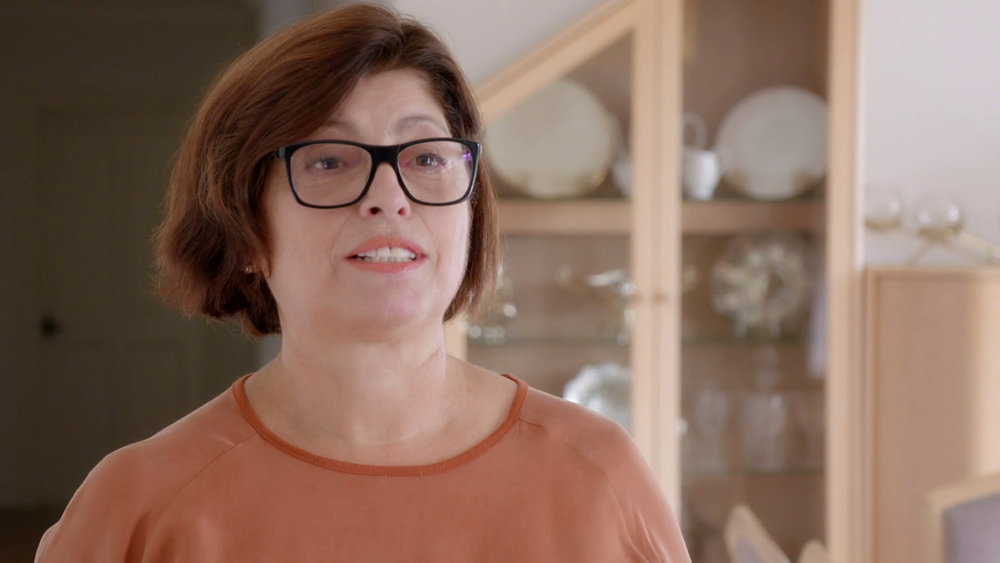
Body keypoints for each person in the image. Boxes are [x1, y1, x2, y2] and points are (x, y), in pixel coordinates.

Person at [35, 4, 690, 562]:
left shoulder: (600, 477)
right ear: (245, 230)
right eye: (328, 160)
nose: (389, 196)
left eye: (426, 156)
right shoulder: (138, 506)